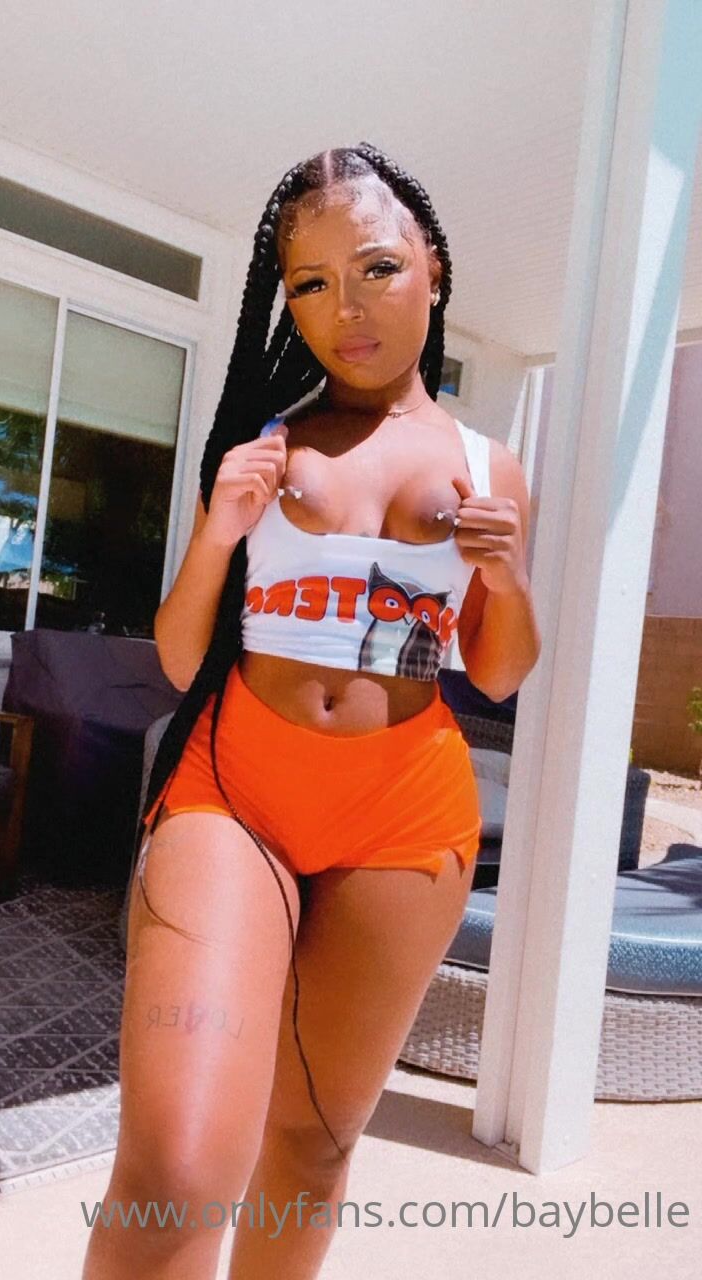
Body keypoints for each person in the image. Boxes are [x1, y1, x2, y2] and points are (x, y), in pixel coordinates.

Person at [82, 141, 541, 1280]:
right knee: (178, 1164)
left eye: (377, 268)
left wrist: (509, 576)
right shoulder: (267, 440)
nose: (348, 308)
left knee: (312, 1145)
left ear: (432, 267)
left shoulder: (490, 466)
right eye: (312, 283)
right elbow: (180, 654)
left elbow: (499, 672)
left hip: (404, 817)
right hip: (237, 791)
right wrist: (218, 532)